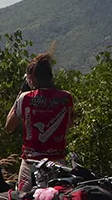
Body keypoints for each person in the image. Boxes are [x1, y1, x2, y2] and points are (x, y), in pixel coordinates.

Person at [5, 51, 73, 192]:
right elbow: (69, 125)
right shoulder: (66, 98)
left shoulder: (25, 98)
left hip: (31, 163)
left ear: (31, 78)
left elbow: (9, 126)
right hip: (58, 162)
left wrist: (19, 96)